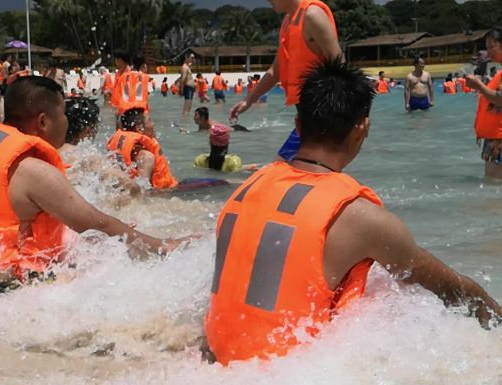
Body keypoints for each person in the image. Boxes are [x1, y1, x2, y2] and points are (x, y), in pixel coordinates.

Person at [203, 57, 502, 366]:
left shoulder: (246, 188)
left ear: (298, 125)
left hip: (214, 362)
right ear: (363, 128)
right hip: (285, 371)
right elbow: (456, 290)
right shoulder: (360, 218)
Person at [0, 76, 186, 294]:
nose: (66, 122)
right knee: (114, 265)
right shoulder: (32, 170)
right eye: (62, 114)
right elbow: (96, 223)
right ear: (43, 121)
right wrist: (164, 245)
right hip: (2, 292)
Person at [230, 0, 343, 162]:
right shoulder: (287, 22)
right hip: (306, 116)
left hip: (323, 116)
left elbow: (340, 67)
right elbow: (275, 71)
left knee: (282, 169)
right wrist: (248, 101)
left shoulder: (312, 15)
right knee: (289, 171)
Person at [107, 107, 178, 190]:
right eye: (150, 120)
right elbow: (143, 192)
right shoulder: (146, 156)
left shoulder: (122, 147)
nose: (153, 124)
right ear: (139, 128)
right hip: (164, 193)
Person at [466, 27, 502, 179]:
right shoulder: (499, 73)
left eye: (492, 46)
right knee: (492, 188)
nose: (489, 51)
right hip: (494, 140)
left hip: (499, 141)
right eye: (487, 47)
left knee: (494, 188)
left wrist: (479, 86)